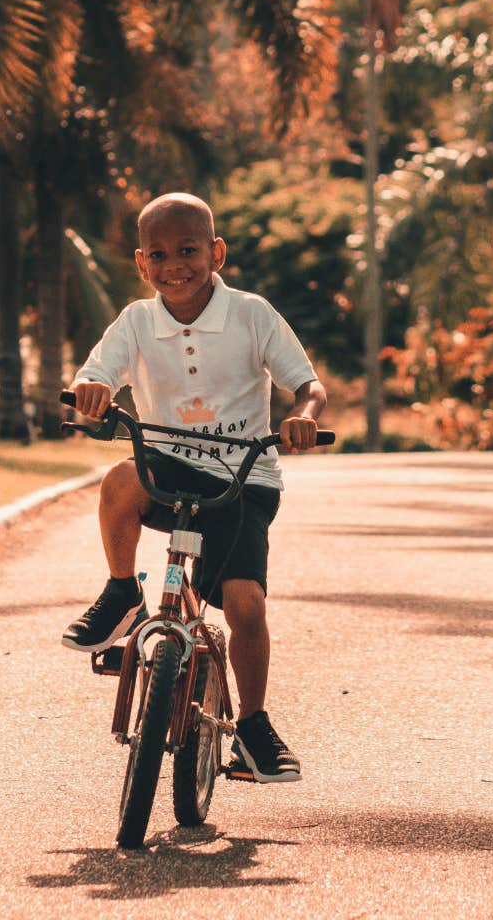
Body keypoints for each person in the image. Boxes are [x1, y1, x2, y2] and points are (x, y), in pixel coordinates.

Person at [62, 192, 327, 783]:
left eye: (188, 250)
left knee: (245, 605)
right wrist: (91, 389)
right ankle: (123, 593)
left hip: (242, 479)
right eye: (159, 254)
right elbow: (96, 371)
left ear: (217, 253)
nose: (174, 264)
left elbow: (306, 384)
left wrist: (303, 413)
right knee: (121, 480)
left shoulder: (252, 314)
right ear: (141, 263)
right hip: (167, 471)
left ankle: (253, 729)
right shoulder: (135, 321)